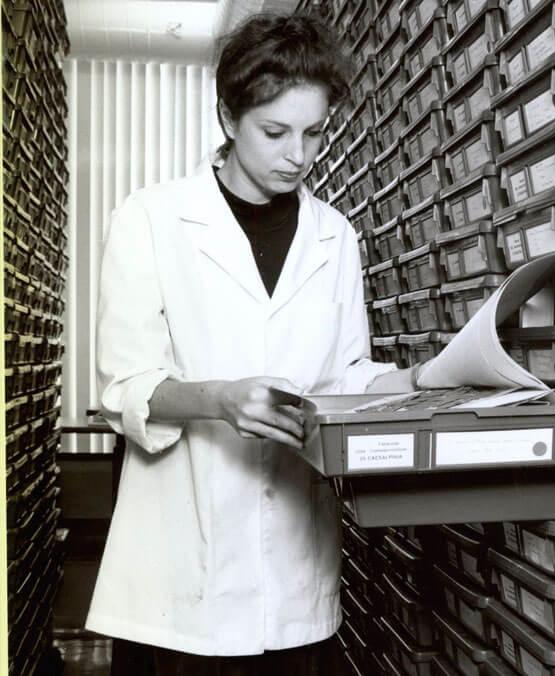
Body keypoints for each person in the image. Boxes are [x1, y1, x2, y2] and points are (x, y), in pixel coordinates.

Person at [86, 12, 419, 674]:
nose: (299, 154)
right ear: (228, 118)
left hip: (293, 571)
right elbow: (123, 385)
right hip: (178, 580)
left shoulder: (336, 237)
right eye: (275, 132)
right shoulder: (151, 218)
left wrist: (420, 382)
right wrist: (222, 399)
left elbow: (345, 374)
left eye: (315, 132)